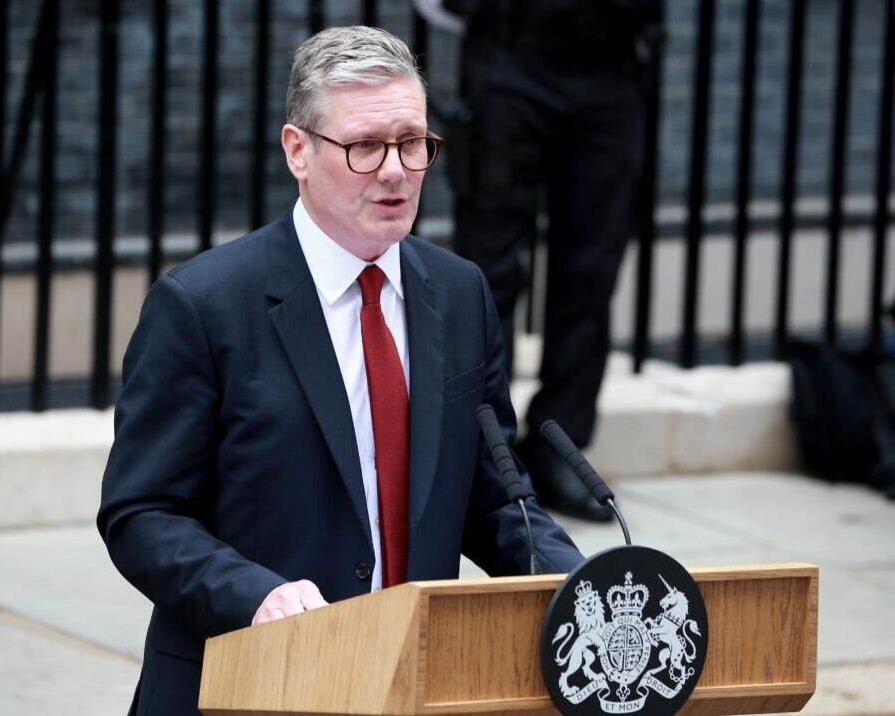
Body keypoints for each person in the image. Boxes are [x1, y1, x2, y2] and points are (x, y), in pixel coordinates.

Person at [97, 26, 583, 716]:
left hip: (408, 686)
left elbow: (494, 498)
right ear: (298, 150)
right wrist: (254, 593)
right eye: (364, 147)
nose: (395, 170)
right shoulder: (203, 306)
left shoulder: (459, 292)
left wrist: (586, 588)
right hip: (248, 684)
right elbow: (140, 513)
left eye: (412, 143)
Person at [438, 0, 662, 522]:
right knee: (486, 274)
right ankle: (482, 454)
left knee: (592, 271)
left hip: (614, 59)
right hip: (515, 50)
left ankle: (562, 451)